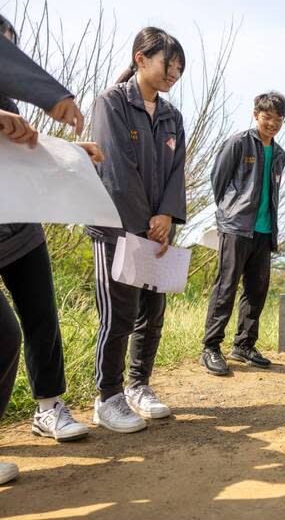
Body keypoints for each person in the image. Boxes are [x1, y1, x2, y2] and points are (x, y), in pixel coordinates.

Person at [0, 13, 91, 485]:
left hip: (20, 231)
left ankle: (49, 406)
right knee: (3, 335)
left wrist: (77, 156)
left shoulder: (10, 99)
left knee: (41, 317)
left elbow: (29, 154)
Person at [87, 27, 187, 433]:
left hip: (158, 231)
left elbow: (177, 170)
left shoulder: (171, 116)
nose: (174, 73)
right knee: (119, 313)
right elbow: (116, 171)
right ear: (141, 59)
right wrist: (146, 223)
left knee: (152, 311)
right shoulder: (110, 103)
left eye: (180, 68)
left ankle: (138, 385)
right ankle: (106, 397)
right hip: (117, 227)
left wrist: (166, 217)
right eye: (169, 64)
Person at [200, 92, 285, 375]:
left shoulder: (279, 154)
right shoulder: (238, 143)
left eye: (278, 119)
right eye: (267, 117)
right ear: (256, 115)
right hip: (236, 227)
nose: (272, 123)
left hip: (264, 230)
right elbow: (218, 179)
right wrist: (229, 211)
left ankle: (244, 344)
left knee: (257, 289)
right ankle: (211, 347)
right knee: (226, 286)